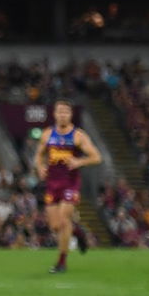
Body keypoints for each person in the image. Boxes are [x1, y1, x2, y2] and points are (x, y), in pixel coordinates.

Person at [34, 99, 100, 273]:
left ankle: (61, 262)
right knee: (55, 226)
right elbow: (38, 156)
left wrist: (79, 161)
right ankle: (78, 232)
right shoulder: (47, 134)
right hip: (52, 183)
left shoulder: (78, 136)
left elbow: (96, 157)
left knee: (63, 220)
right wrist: (40, 167)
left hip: (70, 183)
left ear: (70, 115)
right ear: (54, 114)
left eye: (66, 112)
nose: (62, 115)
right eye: (59, 111)